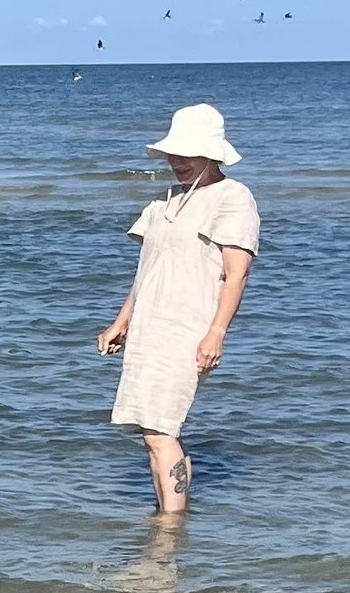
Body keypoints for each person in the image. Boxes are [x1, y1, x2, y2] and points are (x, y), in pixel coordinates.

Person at [95, 104, 258, 515]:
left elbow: (236, 275)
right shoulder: (164, 202)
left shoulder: (233, 198)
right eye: (174, 154)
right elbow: (147, 271)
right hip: (149, 327)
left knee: (161, 429)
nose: (178, 162)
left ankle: (170, 523)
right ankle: (168, 510)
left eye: (189, 154)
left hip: (187, 329)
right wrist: (121, 322)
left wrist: (216, 333)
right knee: (150, 431)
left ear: (213, 153)